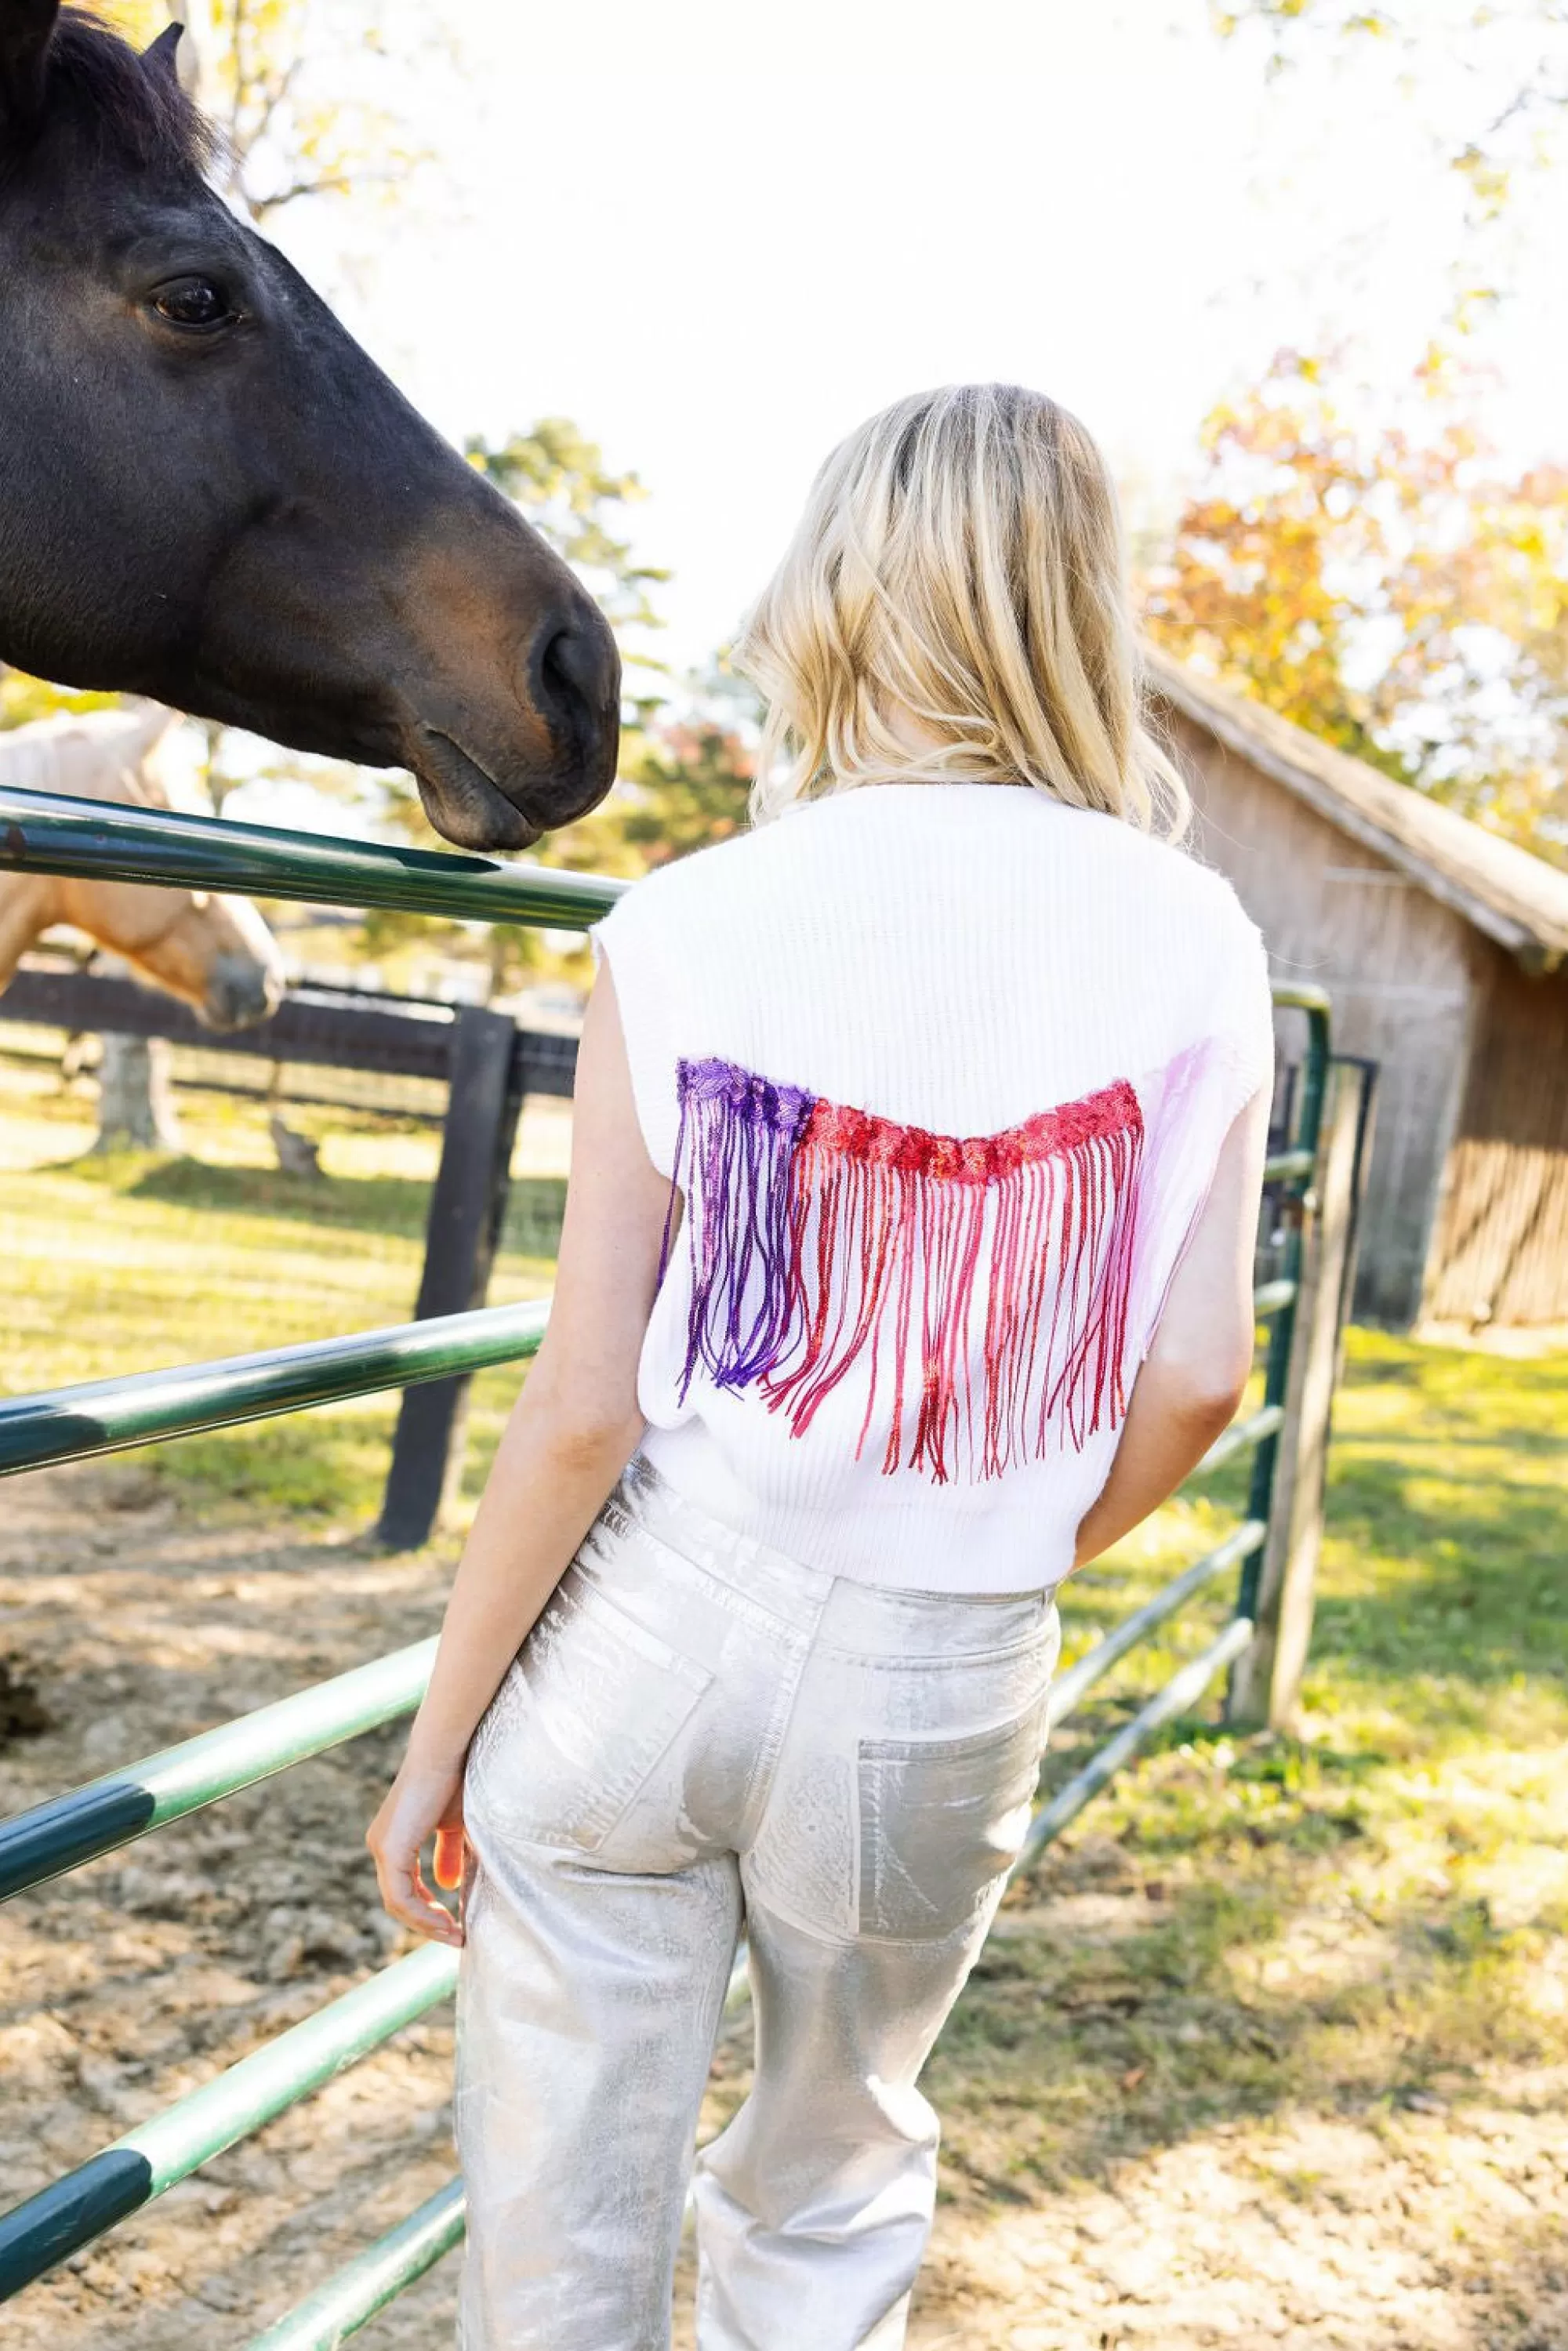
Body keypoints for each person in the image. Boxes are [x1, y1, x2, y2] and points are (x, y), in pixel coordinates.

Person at [367, 382, 1275, 2351]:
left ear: (838, 592)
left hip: (653, 1625)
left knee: (559, 2216)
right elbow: (1199, 1372)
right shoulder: (1200, 937)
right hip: (945, 1663)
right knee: (832, 2172)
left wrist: (438, 1736)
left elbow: (586, 1399)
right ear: (1074, 611)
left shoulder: (684, 919)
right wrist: (997, 1538)